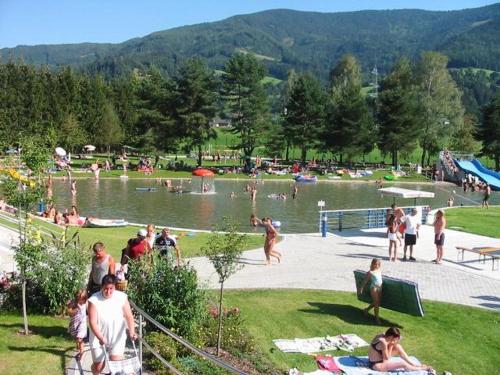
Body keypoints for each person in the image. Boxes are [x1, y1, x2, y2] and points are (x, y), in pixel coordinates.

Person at [88, 275, 137, 375]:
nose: (108, 291)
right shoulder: (93, 300)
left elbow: (129, 316)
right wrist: (100, 337)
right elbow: (92, 322)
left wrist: (132, 331)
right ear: (102, 286)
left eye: (111, 288)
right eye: (106, 288)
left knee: (116, 367)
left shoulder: (122, 297)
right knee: (99, 367)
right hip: (99, 338)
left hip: (117, 337)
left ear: (115, 287)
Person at [368, 327, 435, 373]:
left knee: (398, 346)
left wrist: (393, 343)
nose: (394, 341)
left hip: (381, 359)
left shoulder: (383, 335)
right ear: (390, 337)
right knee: (402, 364)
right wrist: (391, 346)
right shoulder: (383, 343)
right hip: (376, 365)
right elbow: (386, 359)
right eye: (393, 339)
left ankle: (413, 364)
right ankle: (422, 368)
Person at [358, 258, 383, 324]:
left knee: (377, 302)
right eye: (375, 264)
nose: (376, 265)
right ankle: (377, 319)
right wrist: (361, 289)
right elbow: (365, 281)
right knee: (376, 303)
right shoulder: (370, 272)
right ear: (372, 264)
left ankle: (366, 309)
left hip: (380, 288)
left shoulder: (379, 270)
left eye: (378, 264)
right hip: (374, 288)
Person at [67, 288, 88, 361]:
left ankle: (82, 353)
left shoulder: (86, 303)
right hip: (74, 323)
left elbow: (90, 310)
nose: (81, 301)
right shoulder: (73, 302)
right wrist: (73, 311)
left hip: (82, 324)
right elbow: (69, 312)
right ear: (76, 298)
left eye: (82, 299)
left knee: (80, 339)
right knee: (76, 338)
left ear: (85, 299)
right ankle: (78, 346)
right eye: (79, 299)